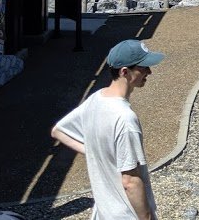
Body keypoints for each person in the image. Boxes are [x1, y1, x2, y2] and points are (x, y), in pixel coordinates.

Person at [51, 39, 164, 220]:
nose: (149, 72)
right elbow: (130, 182)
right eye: (143, 68)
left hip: (103, 213)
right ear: (125, 72)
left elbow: (59, 131)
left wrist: (95, 152)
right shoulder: (126, 119)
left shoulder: (96, 99)